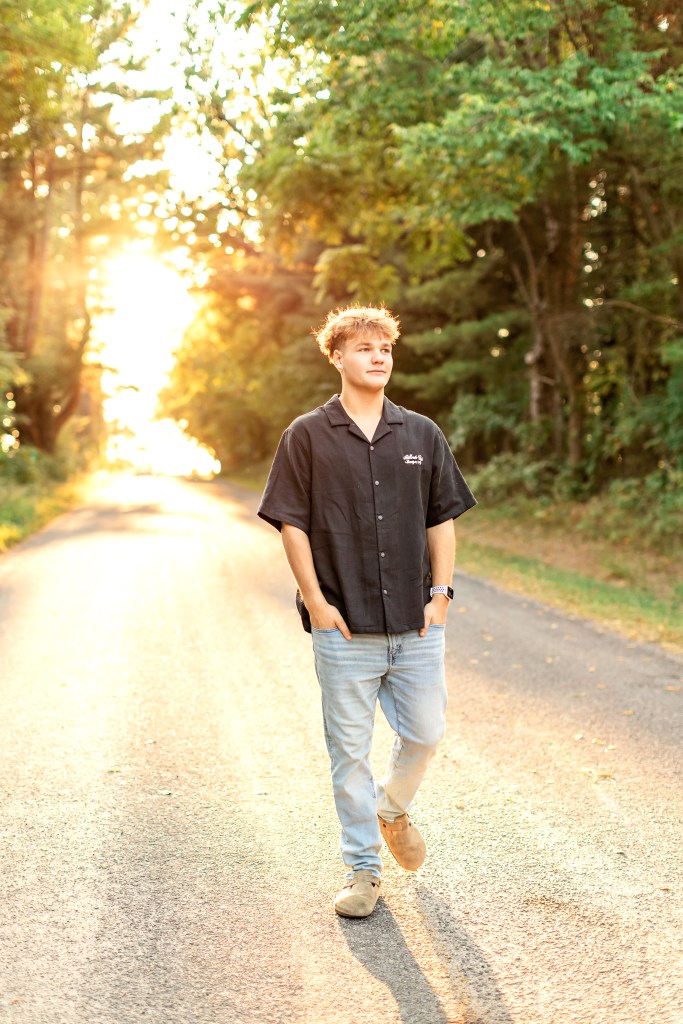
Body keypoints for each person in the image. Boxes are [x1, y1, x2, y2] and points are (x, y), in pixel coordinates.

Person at [258, 306, 476, 918]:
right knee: (349, 754)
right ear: (337, 357)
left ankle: (390, 810)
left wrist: (441, 594)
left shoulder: (422, 434)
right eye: (363, 348)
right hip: (344, 626)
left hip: (416, 620)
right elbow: (292, 525)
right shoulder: (306, 435)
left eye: (385, 348)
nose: (378, 356)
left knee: (426, 733)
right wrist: (317, 603)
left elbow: (441, 519)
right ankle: (363, 871)